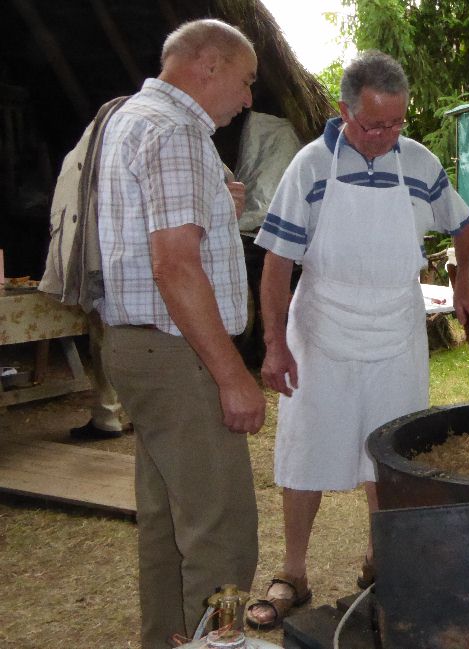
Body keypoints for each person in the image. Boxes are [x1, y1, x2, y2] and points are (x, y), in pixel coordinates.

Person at [246, 50, 469, 629]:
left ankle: (383, 558)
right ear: (346, 114)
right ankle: (292, 572)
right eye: (374, 124)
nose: (385, 135)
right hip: (323, 328)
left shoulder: (420, 164)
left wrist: (467, 284)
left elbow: (466, 223)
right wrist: (274, 344)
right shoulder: (311, 166)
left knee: (391, 453)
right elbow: (277, 263)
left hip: (398, 329)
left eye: (396, 123)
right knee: (307, 451)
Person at [93, 19, 264, 649]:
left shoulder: (129, 118)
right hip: (178, 351)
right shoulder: (176, 130)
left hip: (138, 344)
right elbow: (174, 265)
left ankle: (163, 639)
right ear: (210, 64)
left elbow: (152, 241)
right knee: (221, 530)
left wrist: (225, 207)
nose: (248, 99)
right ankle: (216, 644)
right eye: (246, 82)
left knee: (167, 521)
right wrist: (232, 375)